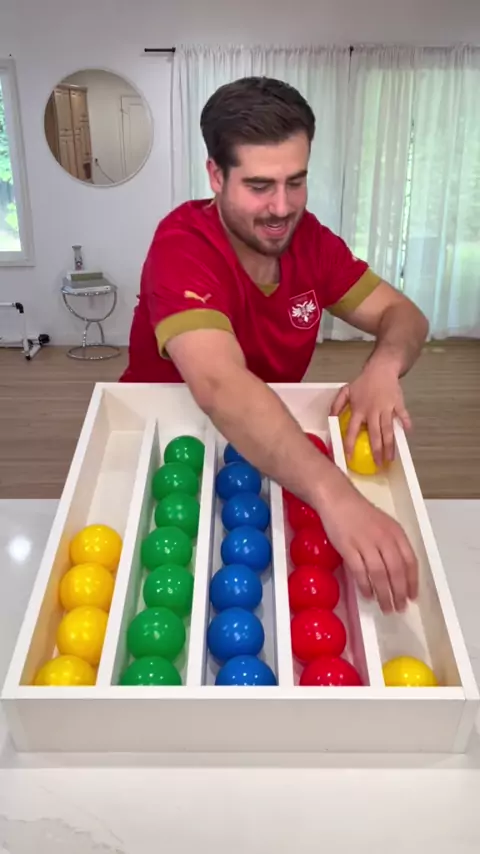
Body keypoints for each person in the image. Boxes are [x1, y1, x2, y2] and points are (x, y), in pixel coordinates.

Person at [121, 76, 429, 614]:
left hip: (271, 444)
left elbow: (404, 315)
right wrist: (335, 495)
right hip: (167, 444)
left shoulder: (311, 241)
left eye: (296, 182)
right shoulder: (181, 246)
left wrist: (383, 367)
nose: (282, 208)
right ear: (216, 175)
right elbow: (221, 385)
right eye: (260, 185)